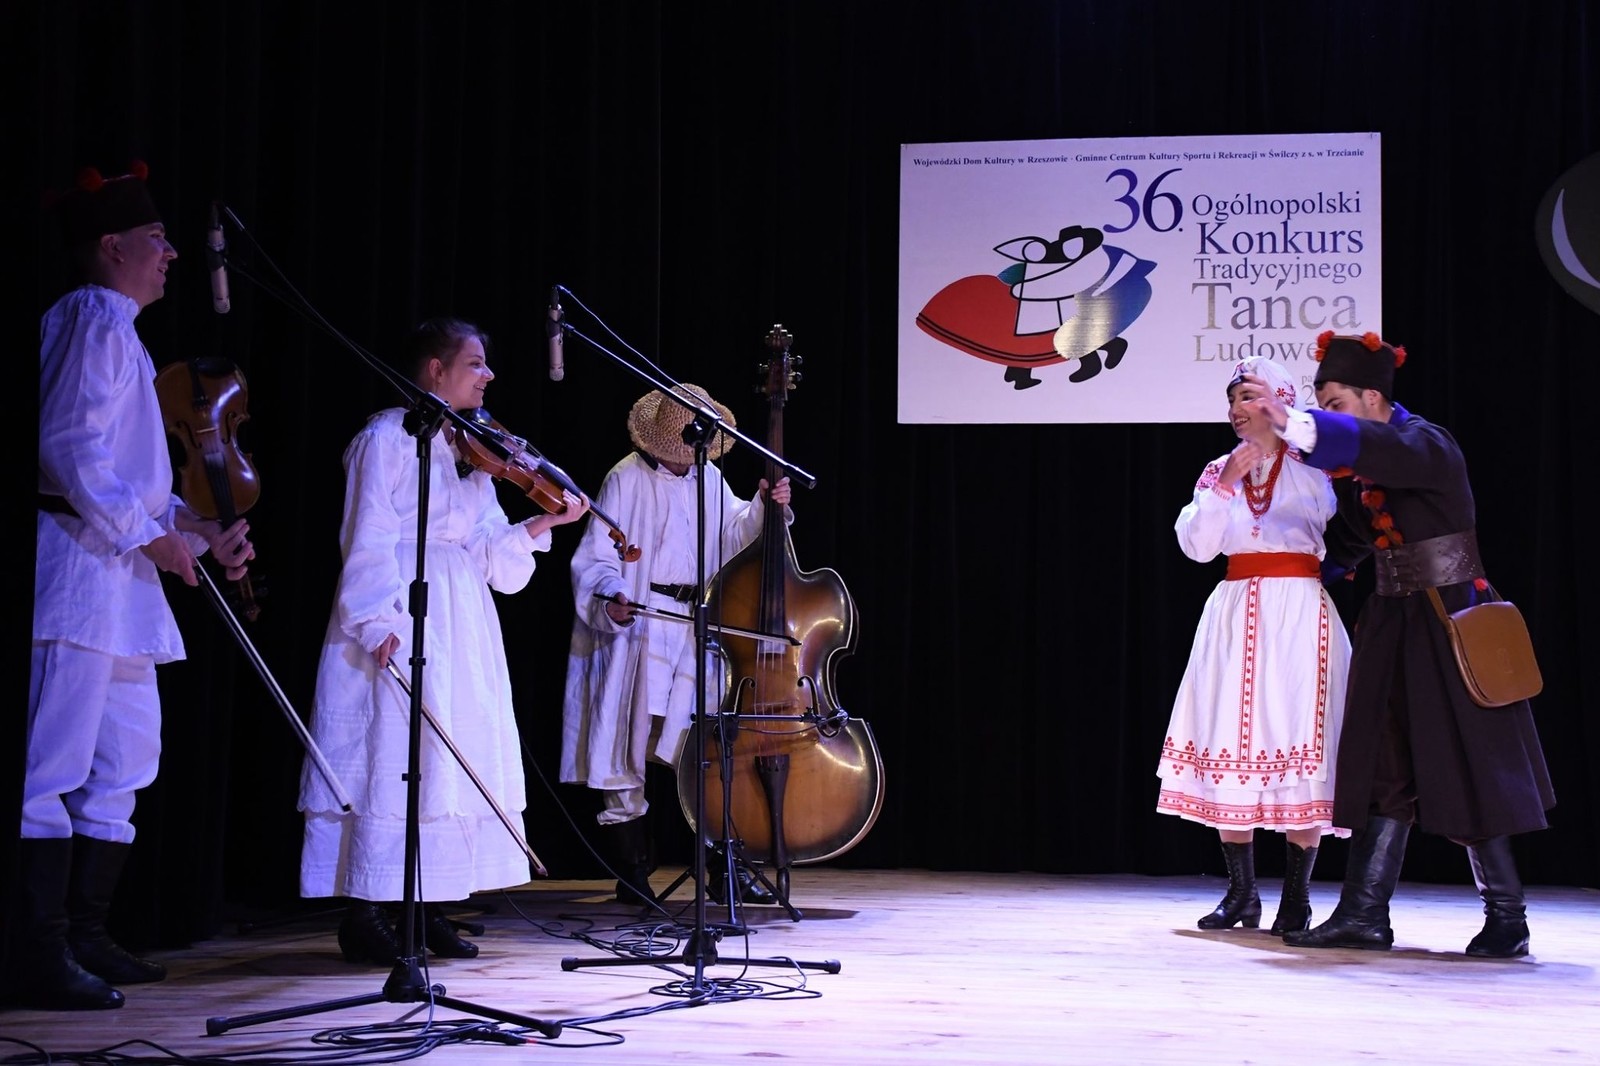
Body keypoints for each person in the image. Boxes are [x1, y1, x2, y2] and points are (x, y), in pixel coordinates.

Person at [16, 163, 256, 1012]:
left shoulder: (123, 332)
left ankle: (85, 934)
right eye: (157, 238)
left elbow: (138, 483)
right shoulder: (89, 315)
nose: (172, 252)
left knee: (124, 759)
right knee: (50, 762)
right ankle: (36, 950)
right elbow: (67, 449)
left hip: (120, 579)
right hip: (79, 571)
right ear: (112, 245)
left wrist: (197, 532)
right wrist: (153, 536)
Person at [1245, 331, 1554, 957]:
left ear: (1372, 398)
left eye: (1336, 403)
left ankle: (1508, 917)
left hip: (1451, 620)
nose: (1329, 413)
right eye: (1322, 406)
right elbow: (1351, 541)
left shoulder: (1425, 444)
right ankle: (1364, 913)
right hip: (1394, 622)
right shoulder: (1373, 469)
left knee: (1470, 761)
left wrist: (1297, 424)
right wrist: (1288, 574)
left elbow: (1383, 451)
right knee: (1382, 765)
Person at [296, 318, 590, 966]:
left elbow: (487, 550)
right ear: (435, 370)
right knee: (392, 752)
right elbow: (366, 534)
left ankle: (426, 905)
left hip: (460, 611)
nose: (488, 376)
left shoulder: (468, 448)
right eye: (475, 363)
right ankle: (366, 912)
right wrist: (376, 620)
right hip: (401, 601)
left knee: (446, 764)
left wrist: (543, 522)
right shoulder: (385, 438)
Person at [562, 383, 792, 908]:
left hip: (694, 625)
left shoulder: (708, 477)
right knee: (626, 747)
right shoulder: (625, 477)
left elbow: (735, 535)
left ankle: (719, 868)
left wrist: (764, 505)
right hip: (640, 628)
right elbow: (597, 555)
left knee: (702, 751)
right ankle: (632, 875)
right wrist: (610, 596)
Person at [1157, 356, 1352, 936]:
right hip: (1235, 609)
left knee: (1299, 739)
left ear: (1279, 401)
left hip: (1297, 610)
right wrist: (1224, 487)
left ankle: (1297, 898)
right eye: (1232, 400)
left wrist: (1288, 441)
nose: (1236, 409)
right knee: (1229, 733)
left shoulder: (1314, 465)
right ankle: (1241, 893)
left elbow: (1330, 518)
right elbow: (1198, 547)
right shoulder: (1217, 471)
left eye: (1248, 397)